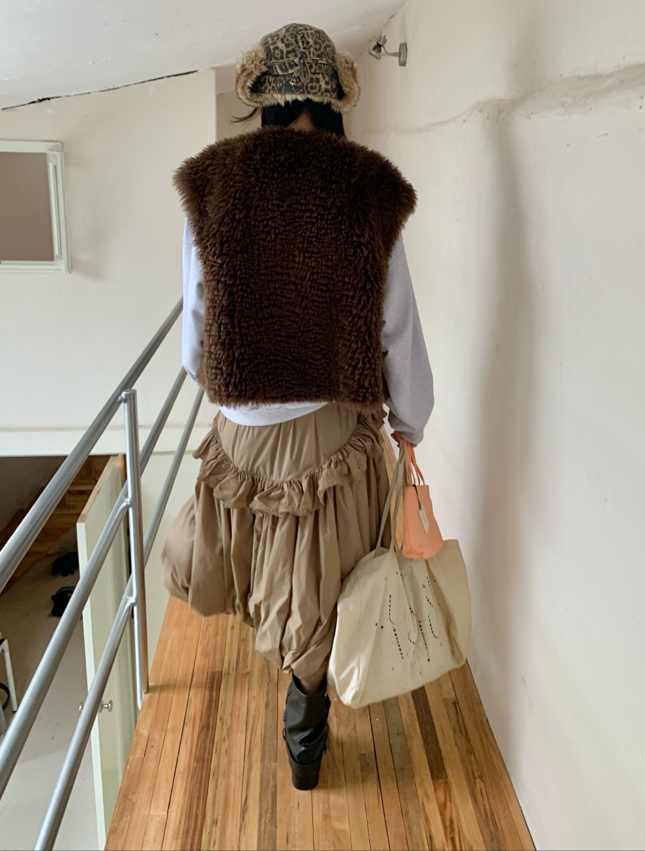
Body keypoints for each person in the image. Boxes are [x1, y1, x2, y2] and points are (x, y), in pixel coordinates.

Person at [161, 22, 433, 790]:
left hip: (242, 438)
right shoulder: (368, 191)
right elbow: (397, 326)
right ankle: (305, 740)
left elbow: (194, 340)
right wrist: (411, 421)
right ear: (336, 102)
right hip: (328, 436)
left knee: (265, 578)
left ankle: (299, 714)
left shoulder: (212, 187)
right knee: (314, 598)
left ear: (266, 102)